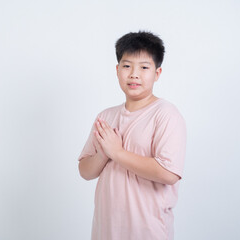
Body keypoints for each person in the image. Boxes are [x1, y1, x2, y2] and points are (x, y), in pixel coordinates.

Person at [78, 31, 187, 240]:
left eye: (144, 67)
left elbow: (168, 173)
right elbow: (85, 171)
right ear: (117, 70)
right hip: (106, 230)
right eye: (127, 66)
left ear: (157, 73)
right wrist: (102, 155)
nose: (134, 74)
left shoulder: (166, 114)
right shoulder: (106, 116)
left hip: (147, 231)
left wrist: (116, 152)